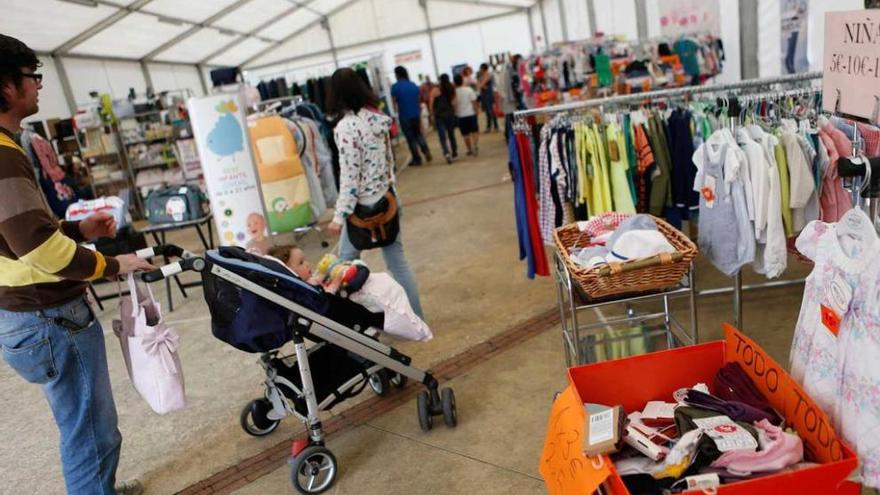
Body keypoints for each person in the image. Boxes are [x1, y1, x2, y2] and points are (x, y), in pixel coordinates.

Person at [0, 34, 153, 495]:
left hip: (25, 312)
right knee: (90, 432)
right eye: (33, 76)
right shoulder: (4, 155)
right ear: (6, 86)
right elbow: (36, 248)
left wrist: (78, 232)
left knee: (81, 424)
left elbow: (20, 238)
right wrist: (110, 264)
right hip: (48, 316)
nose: (40, 85)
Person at [325, 68, 424, 318]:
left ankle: (343, 322)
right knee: (398, 264)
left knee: (343, 264)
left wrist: (339, 216)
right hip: (387, 200)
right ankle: (416, 319)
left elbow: (350, 176)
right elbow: (388, 163)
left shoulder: (346, 127)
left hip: (360, 209)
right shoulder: (377, 119)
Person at [391, 66, 432, 167]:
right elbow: (418, 100)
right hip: (416, 114)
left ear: (397, 74)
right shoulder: (413, 85)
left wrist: (396, 111)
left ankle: (417, 159)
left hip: (405, 115)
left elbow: (394, 102)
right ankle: (425, 150)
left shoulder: (395, 87)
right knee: (418, 134)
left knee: (410, 138)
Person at [429, 73, 458, 164]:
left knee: (442, 136)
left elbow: (431, 104)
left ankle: (446, 153)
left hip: (439, 116)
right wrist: (454, 112)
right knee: (451, 134)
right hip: (449, 114)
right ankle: (454, 153)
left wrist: (432, 115)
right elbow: (454, 102)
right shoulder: (451, 89)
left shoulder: (435, 90)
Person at [453, 73, 480, 157]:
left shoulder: (454, 93)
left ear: (454, 82)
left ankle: (469, 149)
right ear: (462, 80)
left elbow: (454, 104)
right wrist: (476, 111)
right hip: (471, 113)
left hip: (461, 115)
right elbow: (474, 101)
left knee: (465, 134)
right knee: (474, 131)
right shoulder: (469, 89)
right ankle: (475, 145)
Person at [476, 63, 499, 133]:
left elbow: (480, 85)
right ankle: (489, 127)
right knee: (487, 112)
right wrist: (481, 84)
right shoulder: (482, 75)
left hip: (488, 94)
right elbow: (479, 85)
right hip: (484, 94)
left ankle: (495, 126)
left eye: (480, 68)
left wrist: (481, 84)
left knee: (490, 111)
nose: (480, 69)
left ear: (483, 68)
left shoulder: (488, 74)